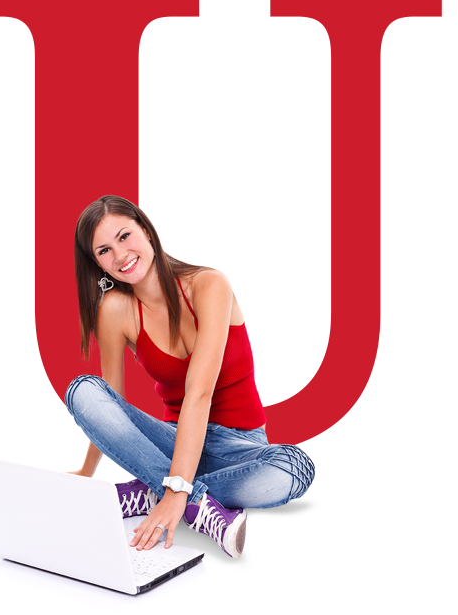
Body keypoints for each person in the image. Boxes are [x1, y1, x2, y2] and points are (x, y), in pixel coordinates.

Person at [64, 195, 314, 559]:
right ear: (96, 263)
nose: (119, 255)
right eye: (103, 250)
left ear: (146, 230)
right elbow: (109, 404)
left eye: (124, 236)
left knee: (293, 469)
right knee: (83, 390)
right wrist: (85, 477)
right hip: (172, 440)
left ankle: (158, 491)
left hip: (240, 447)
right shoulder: (116, 311)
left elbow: (200, 393)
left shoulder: (209, 285)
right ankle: (198, 504)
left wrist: (175, 489)